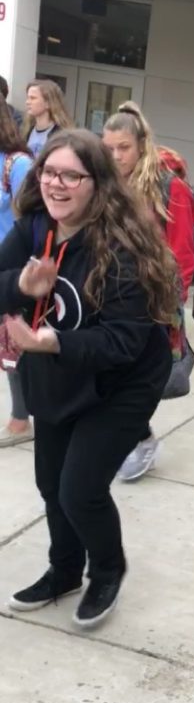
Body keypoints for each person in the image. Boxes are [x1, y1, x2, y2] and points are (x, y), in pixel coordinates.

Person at [1, 129, 177, 627]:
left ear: (97, 184)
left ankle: (107, 569)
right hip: (57, 373)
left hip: (123, 383)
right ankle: (63, 572)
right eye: (49, 172)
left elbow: (123, 342)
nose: (56, 184)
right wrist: (19, 283)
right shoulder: (37, 229)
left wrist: (50, 342)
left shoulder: (122, 249)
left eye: (70, 176)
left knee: (80, 488)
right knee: (51, 483)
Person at [102, 102, 194, 481]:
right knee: (107, 374)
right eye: (108, 148)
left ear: (141, 144)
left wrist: (169, 307)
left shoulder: (169, 187)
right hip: (109, 296)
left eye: (123, 147)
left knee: (136, 381)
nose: (115, 156)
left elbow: (183, 257)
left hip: (152, 304)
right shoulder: (106, 185)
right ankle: (132, 437)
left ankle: (140, 439)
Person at [0, 94, 34, 446]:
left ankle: (21, 418)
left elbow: (34, 218)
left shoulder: (17, 164)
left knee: (12, 342)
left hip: (12, 269)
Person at [23, 79, 73, 157]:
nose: (27, 102)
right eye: (28, 98)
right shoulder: (26, 131)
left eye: (33, 98)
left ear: (48, 103)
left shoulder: (61, 135)